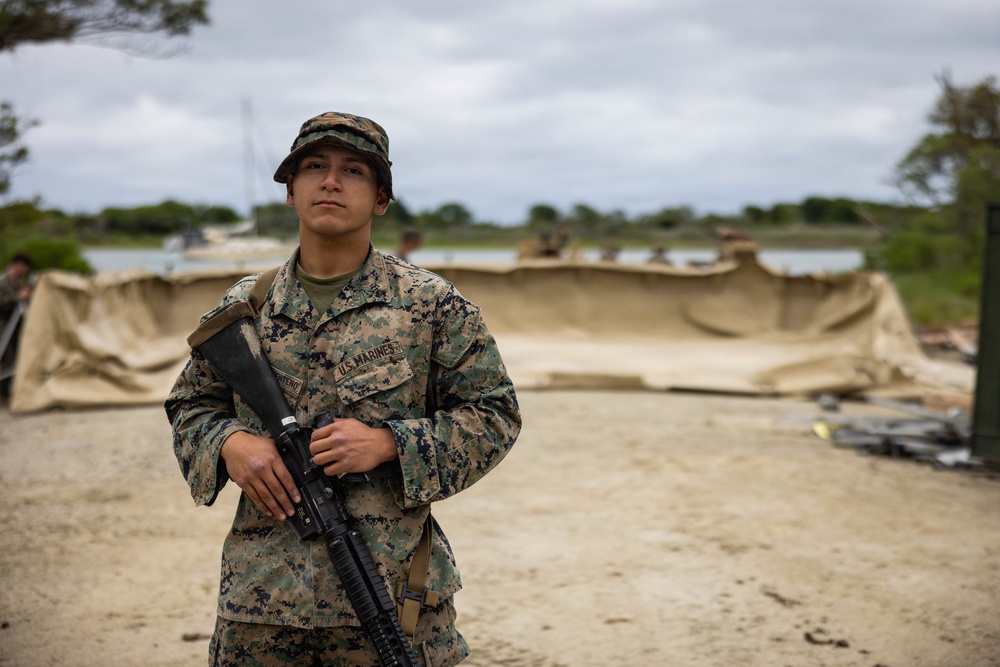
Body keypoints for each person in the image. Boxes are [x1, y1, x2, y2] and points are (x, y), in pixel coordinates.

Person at [165, 112, 521, 666]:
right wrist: (232, 445)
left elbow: (494, 415)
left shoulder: (430, 306)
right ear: (290, 190)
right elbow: (191, 405)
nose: (330, 182)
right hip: (263, 603)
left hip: (394, 598)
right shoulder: (244, 308)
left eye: (352, 170)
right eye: (314, 167)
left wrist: (391, 445)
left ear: (380, 198)